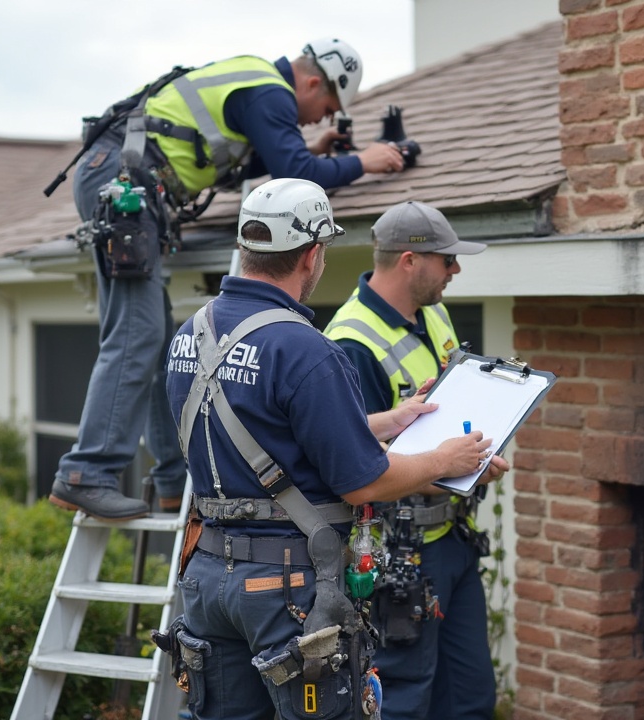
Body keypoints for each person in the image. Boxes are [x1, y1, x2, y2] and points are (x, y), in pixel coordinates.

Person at [163, 178, 505, 720]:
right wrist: (447, 461)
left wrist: (384, 421)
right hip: (283, 587)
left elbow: (269, 431)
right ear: (313, 254)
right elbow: (361, 482)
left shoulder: (191, 334)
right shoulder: (306, 348)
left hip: (208, 575)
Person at [50, 39, 406, 520]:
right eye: (326, 108)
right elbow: (294, 170)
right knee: (136, 333)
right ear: (313, 82)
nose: (319, 120)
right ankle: (85, 472)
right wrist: (364, 161)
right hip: (125, 183)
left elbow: (252, 155)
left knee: (152, 337)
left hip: (124, 177)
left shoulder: (256, 85)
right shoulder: (270, 92)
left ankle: (173, 479)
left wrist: (313, 151)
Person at [323, 201, 498, 720]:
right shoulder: (350, 345)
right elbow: (359, 477)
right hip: (401, 556)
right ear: (409, 261)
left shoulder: (433, 312)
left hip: (452, 541)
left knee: (469, 698)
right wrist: (458, 467)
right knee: (403, 698)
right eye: (447, 260)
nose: (455, 270)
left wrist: (478, 454)